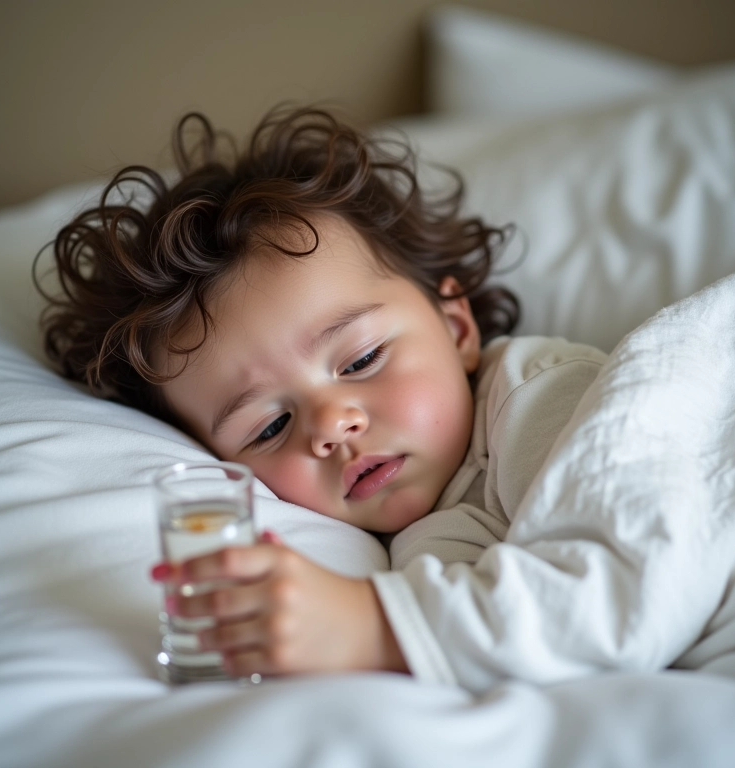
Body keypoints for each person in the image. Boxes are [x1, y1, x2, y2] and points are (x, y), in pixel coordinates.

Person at [35, 107, 609, 689]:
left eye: (361, 360)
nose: (332, 425)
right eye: (270, 427)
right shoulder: (406, 543)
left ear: (456, 329)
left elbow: (617, 583)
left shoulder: (546, 395)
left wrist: (371, 629)